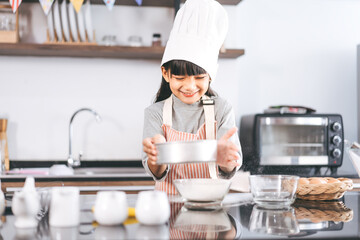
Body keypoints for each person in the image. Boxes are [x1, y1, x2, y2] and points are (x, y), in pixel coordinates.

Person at [142, 0, 242, 194]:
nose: (189, 86)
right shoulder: (154, 113)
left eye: (199, 77)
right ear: (166, 73)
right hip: (168, 210)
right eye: (180, 77)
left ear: (210, 76)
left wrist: (226, 161)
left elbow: (229, 168)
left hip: (212, 210)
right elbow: (156, 172)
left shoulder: (222, 109)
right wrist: (158, 157)